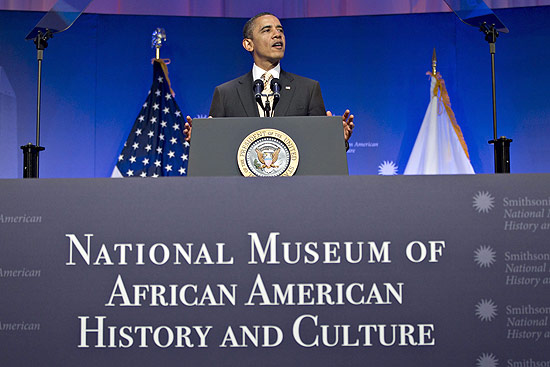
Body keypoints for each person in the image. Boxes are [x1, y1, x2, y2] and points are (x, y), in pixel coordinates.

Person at [184, 12, 354, 146]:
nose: (277, 35)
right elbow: (216, 148)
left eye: (280, 30)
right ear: (248, 44)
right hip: (242, 188)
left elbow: (319, 147)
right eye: (267, 30)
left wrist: (337, 140)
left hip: (294, 187)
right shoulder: (225, 93)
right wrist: (200, 141)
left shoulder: (308, 89)